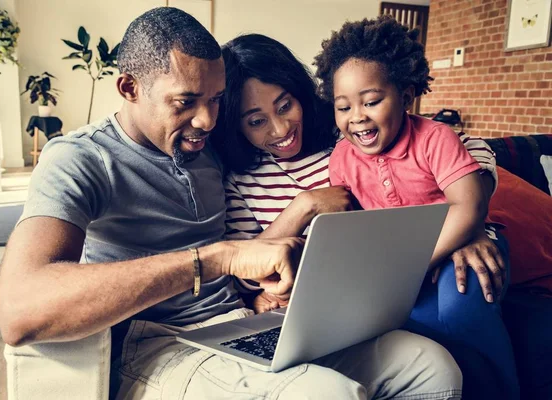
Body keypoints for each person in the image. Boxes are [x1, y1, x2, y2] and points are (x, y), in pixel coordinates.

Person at [0, 8, 462, 400]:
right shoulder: (80, 159)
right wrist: (217, 257)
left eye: (217, 100)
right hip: (157, 342)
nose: (206, 119)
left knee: (431, 367)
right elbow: (19, 310)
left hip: (242, 326)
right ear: (130, 88)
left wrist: (472, 216)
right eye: (186, 102)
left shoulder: (210, 144)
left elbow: (404, 144)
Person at [212, 31, 518, 399]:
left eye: (284, 106)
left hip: (394, 272)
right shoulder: (243, 181)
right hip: (335, 303)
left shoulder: (345, 139)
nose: (280, 129)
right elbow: (244, 276)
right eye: (256, 121)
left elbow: (470, 151)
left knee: (455, 312)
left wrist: (466, 226)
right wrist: (305, 205)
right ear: (236, 124)